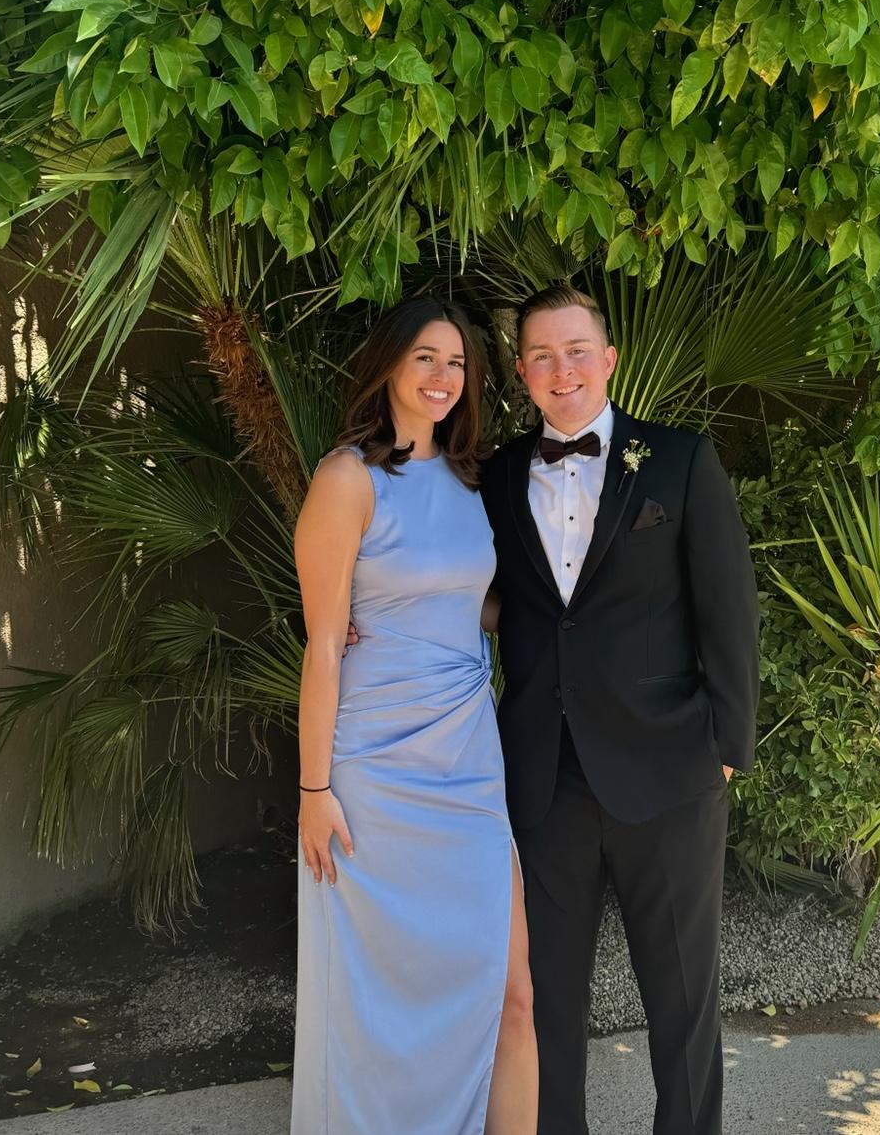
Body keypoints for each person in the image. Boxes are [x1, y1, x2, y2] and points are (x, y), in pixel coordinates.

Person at [479, 284, 760, 1135]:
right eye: (541, 355)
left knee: (682, 1003)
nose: (561, 369)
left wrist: (727, 748)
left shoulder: (679, 460)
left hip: (668, 772)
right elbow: (477, 590)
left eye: (576, 351)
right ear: (522, 372)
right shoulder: (496, 477)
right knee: (547, 1007)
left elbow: (728, 611)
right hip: (544, 778)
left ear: (606, 359)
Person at [290, 297, 537, 1135]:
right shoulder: (346, 479)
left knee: (508, 991)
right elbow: (325, 646)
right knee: (377, 1004)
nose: (442, 376)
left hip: (468, 760)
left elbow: (477, 604)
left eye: (457, 362)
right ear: (389, 364)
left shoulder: (471, 479)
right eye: (426, 358)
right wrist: (313, 789)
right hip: (374, 771)